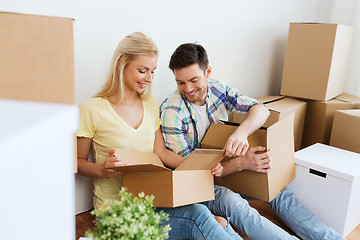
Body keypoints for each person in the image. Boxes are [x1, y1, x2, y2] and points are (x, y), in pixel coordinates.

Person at [160, 42, 344, 240]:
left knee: (277, 190)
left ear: (208, 72)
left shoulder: (215, 88)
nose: (188, 89)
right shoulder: (173, 112)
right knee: (236, 204)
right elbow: (193, 174)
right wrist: (242, 163)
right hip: (196, 186)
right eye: (180, 83)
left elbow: (260, 109)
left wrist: (241, 133)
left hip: (223, 169)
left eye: (194, 80)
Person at [76, 32, 242, 239]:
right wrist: (102, 169)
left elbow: (160, 152)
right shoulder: (92, 108)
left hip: (152, 200)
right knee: (200, 218)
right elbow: (78, 162)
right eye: (142, 70)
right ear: (121, 64)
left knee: (214, 219)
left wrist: (201, 168)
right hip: (117, 210)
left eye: (152, 71)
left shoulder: (151, 105)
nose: (149, 78)